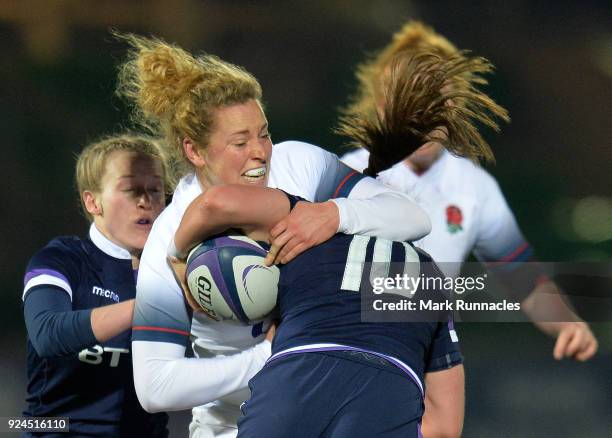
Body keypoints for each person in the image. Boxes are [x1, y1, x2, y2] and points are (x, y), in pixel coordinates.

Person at [116, 33, 434, 437]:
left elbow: (413, 217)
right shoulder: (167, 237)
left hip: (329, 402)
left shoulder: (299, 166)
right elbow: (154, 387)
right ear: (195, 151)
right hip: (233, 425)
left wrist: (335, 214)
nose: (261, 152)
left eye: (263, 134)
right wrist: (272, 355)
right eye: (239, 141)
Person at [340, 21, 598, 435]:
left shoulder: (473, 186)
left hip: (428, 374)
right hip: (350, 366)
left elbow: (521, 277)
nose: (425, 115)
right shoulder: (347, 176)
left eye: (435, 101)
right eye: (412, 101)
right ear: (386, 106)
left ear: (454, 107)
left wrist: (567, 323)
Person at [172, 184, 462, 438]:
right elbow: (446, 426)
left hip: (297, 374)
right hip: (389, 390)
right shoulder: (428, 274)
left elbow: (215, 202)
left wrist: (179, 256)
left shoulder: (305, 224)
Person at [22, 134, 171, 436]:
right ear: (93, 201)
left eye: (155, 189)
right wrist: (148, 307)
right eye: (130, 189)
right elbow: (47, 334)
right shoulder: (61, 260)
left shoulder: (181, 271)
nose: (145, 201)